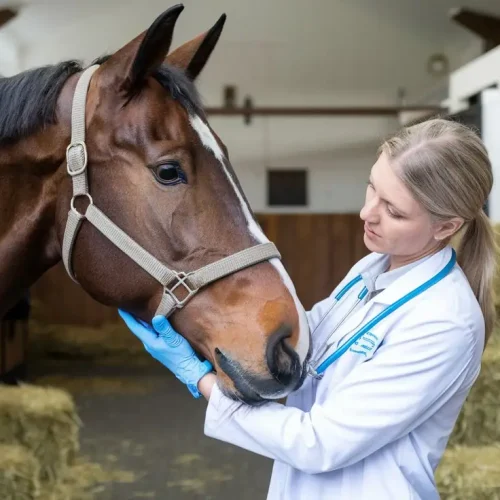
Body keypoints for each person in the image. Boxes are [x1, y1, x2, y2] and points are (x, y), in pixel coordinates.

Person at [119, 118, 496, 500]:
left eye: (394, 211)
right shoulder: (375, 266)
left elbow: (320, 442)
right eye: (372, 187)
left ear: (446, 227)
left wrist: (202, 381)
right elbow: (311, 340)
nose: (367, 213)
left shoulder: (445, 322)